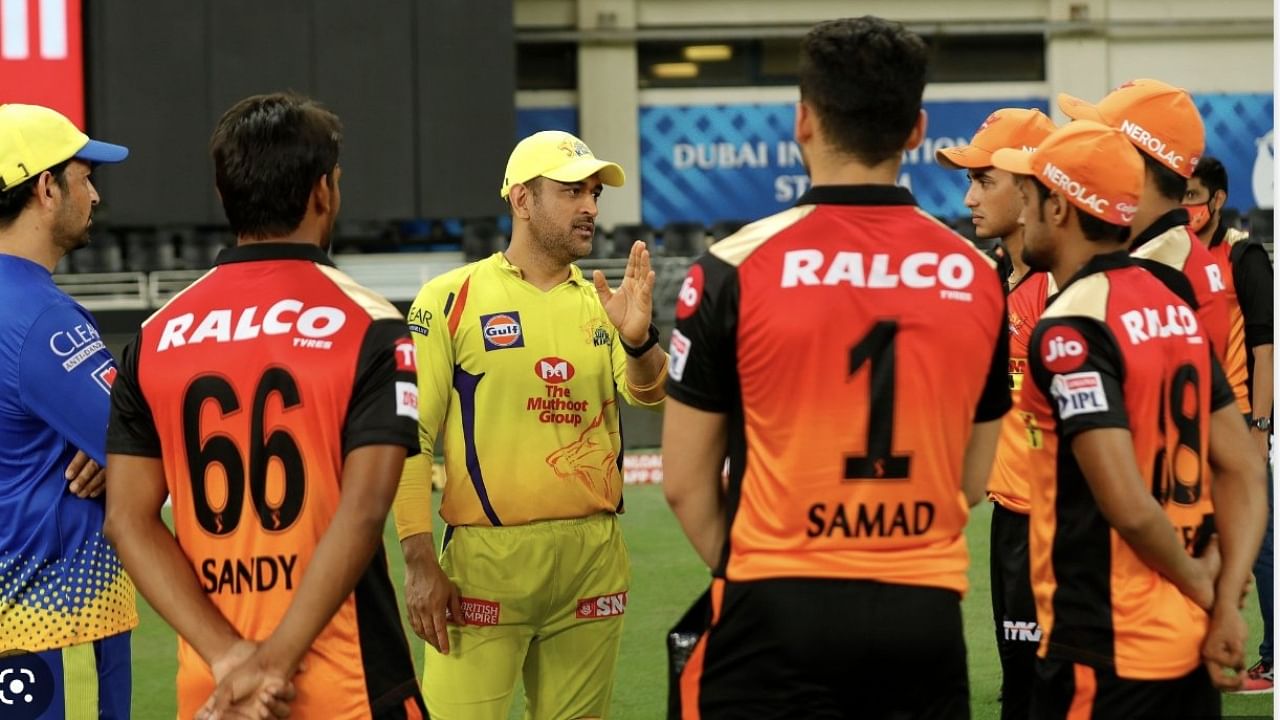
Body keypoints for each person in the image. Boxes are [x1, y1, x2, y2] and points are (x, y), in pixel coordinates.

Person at [662, 16, 1010, 718]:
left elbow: (683, 482)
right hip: (924, 612)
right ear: (917, 130)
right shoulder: (977, 275)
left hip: (775, 602)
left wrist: (753, 574)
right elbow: (974, 478)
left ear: (802, 122)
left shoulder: (732, 267)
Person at [103, 92, 425, 719]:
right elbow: (361, 512)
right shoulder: (371, 326)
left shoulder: (155, 336)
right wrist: (272, 665)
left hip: (216, 692)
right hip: (346, 685)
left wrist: (230, 662)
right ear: (323, 192)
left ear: (225, 198)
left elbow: (128, 519)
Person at [992, 120, 1267, 718]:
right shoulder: (1174, 304)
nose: (1021, 207)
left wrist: (1204, 589)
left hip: (1103, 644)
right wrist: (1219, 600)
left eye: (1030, 194)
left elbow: (1124, 500)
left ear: (1059, 207)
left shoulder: (1071, 326)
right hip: (1185, 643)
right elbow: (1245, 466)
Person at [392, 130, 668, 719]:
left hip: (594, 559)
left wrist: (639, 339)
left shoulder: (605, 303)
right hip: (484, 568)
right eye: (572, 191)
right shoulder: (450, 299)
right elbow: (409, 436)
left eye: (594, 192)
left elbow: (650, 394)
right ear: (521, 200)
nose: (591, 206)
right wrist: (418, 558)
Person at [0, 103, 135, 719]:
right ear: (45, 188)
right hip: (54, 624)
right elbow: (147, 447)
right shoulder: (44, 321)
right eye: (84, 176)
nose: (96, 194)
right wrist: (125, 458)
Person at [938, 107, 1056, 720]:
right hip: (1009, 516)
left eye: (985, 181)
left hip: (1059, 527)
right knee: (1020, 693)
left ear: (1032, 185)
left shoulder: (1065, 289)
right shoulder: (988, 281)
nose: (969, 198)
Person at [1058, 79, 1233, 389]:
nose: (1092, 158)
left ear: (1138, 164)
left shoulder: (1163, 270)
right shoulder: (1167, 254)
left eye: (1103, 145)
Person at [1187, 155, 1274, 692]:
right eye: (1181, 196)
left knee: (1258, 543)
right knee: (1197, 536)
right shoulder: (1171, 254)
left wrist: (1260, 426)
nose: (1186, 207)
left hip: (1240, 421)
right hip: (1189, 423)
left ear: (1217, 199)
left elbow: (1267, 349)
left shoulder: (1242, 254)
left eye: (1195, 196)